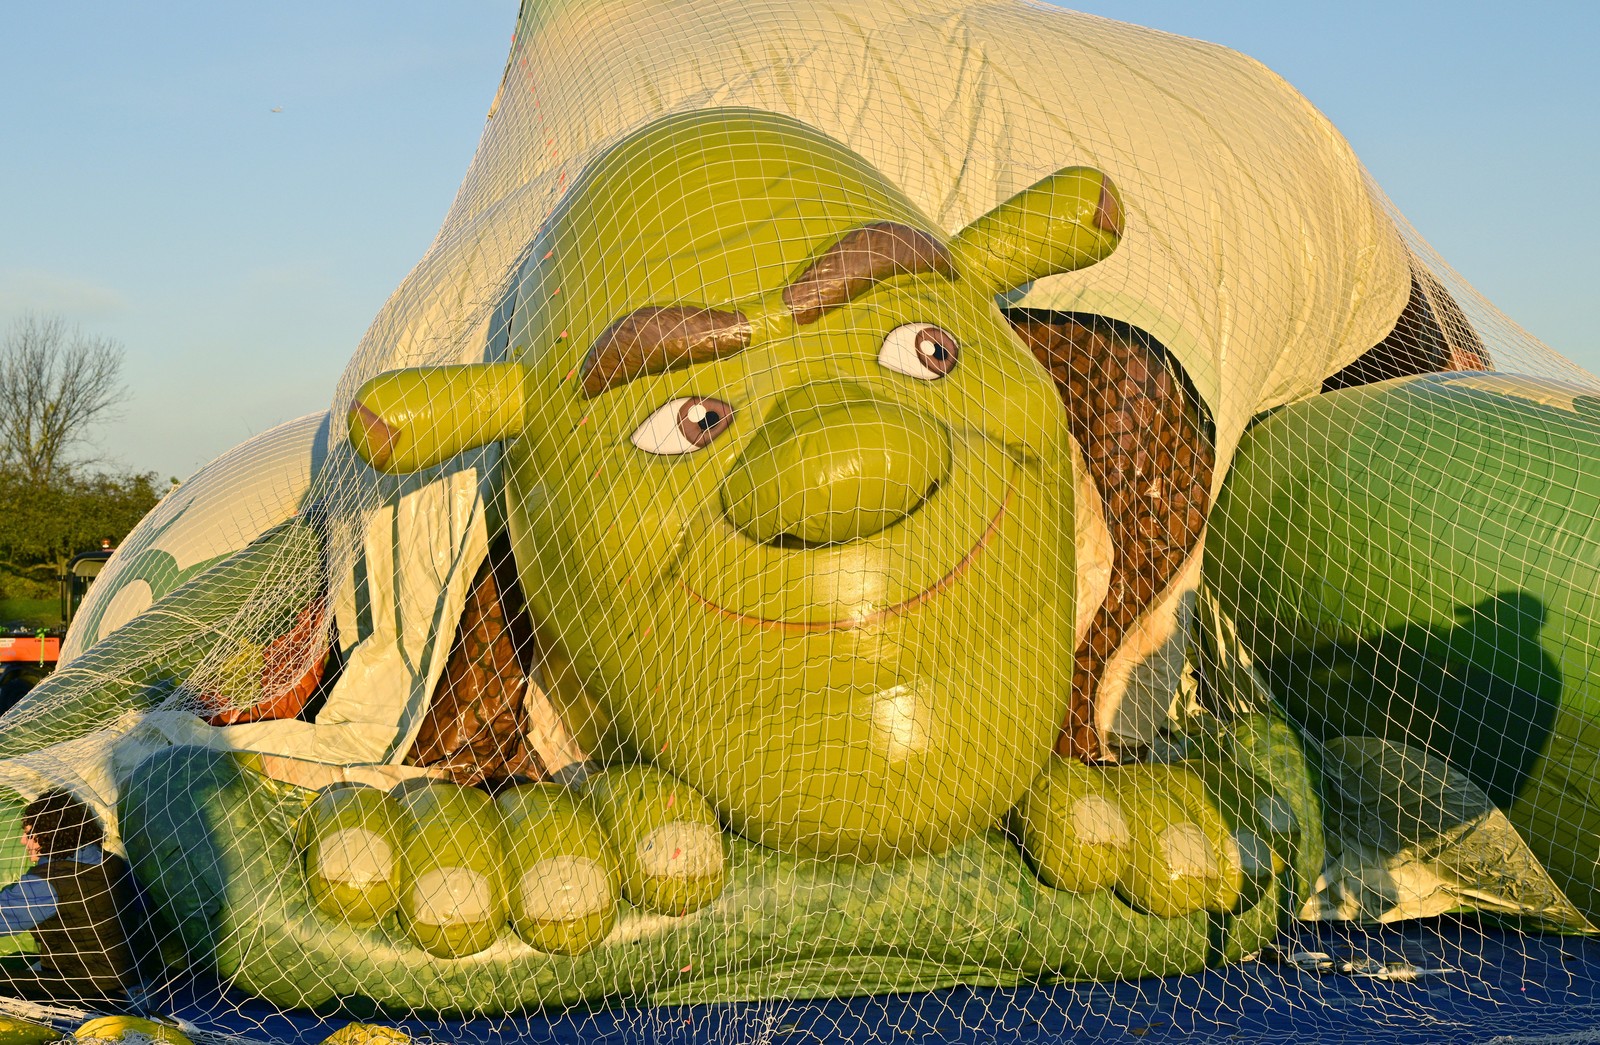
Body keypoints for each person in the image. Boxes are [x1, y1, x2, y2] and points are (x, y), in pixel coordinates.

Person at [0, 789, 135, 1002]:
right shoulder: (111, 861)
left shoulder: (47, 882)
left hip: (96, 993)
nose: (24, 841)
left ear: (51, 834)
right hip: (132, 982)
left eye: (30, 834)